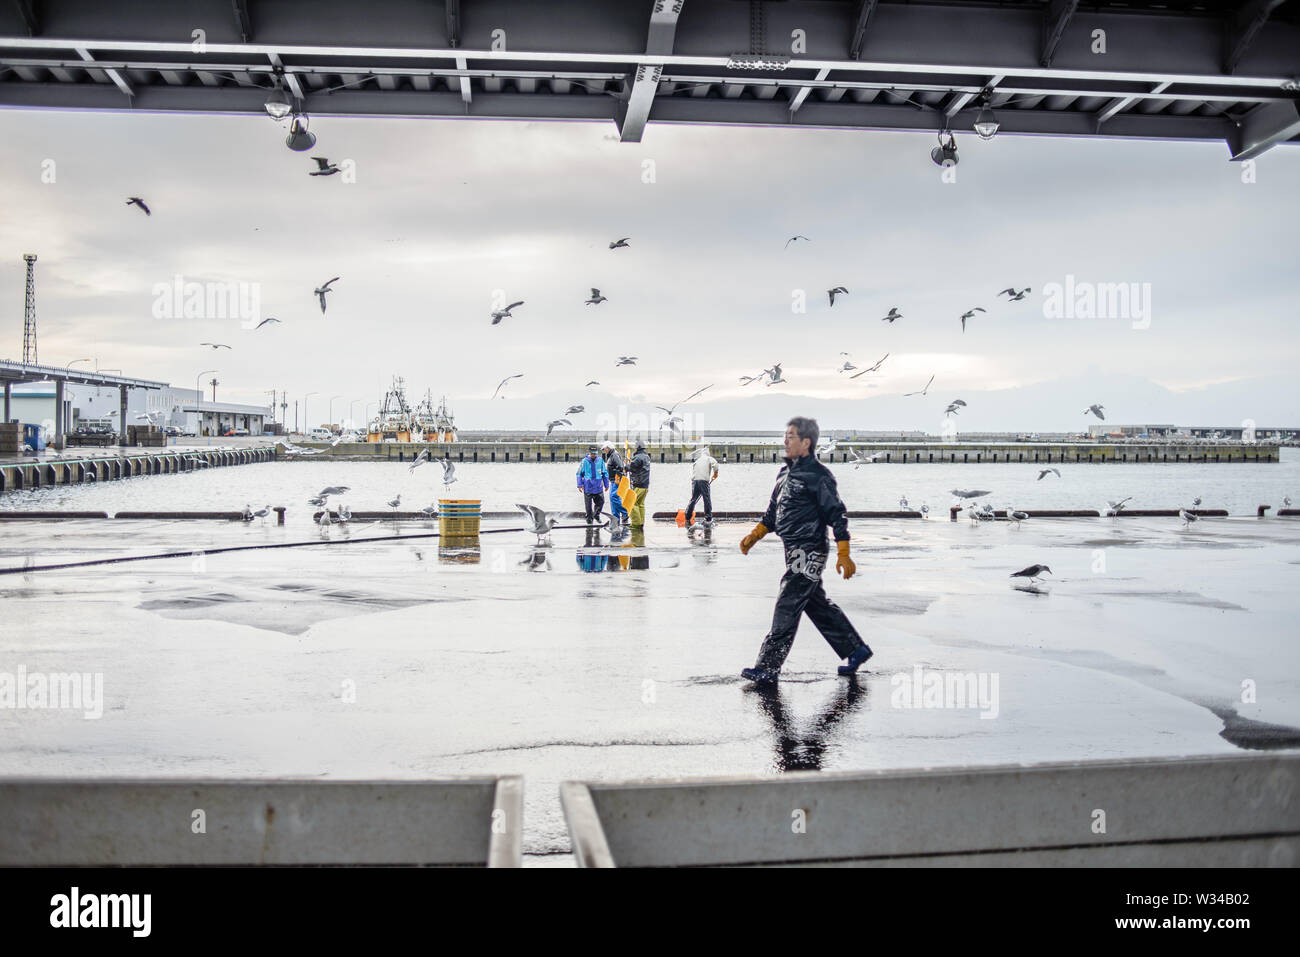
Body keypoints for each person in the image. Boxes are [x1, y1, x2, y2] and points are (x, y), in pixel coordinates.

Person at [738, 416, 872, 685]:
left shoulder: (818, 476)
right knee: (815, 602)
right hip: (791, 548)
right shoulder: (784, 473)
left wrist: (843, 551)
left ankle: (768, 667)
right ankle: (855, 649)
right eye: (785, 436)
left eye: (791, 436)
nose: (785, 441)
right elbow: (773, 512)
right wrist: (756, 534)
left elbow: (837, 513)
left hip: (809, 551)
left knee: (788, 602)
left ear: (806, 442)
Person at [685, 446, 719, 526]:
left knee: (693, 499)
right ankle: (708, 518)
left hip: (695, 481)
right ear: (708, 453)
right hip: (703, 481)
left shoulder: (698, 460)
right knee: (706, 498)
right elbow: (715, 464)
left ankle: (687, 516)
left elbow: (694, 469)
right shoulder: (708, 458)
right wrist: (716, 473)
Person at [576, 446, 609, 525]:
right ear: (589, 453)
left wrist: (606, 484)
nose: (593, 455)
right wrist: (579, 484)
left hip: (598, 486)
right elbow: (579, 474)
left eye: (595, 454)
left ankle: (596, 515)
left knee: (601, 502)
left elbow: (604, 473)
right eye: (592, 454)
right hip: (588, 486)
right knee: (588, 506)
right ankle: (589, 520)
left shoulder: (600, 460)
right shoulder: (584, 461)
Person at [600, 441, 629, 525]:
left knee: (614, 497)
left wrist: (617, 476)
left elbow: (620, 466)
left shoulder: (614, 455)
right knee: (612, 500)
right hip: (612, 480)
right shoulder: (611, 455)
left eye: (604, 449)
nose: (604, 451)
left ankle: (625, 512)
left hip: (617, 480)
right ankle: (615, 518)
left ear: (608, 448)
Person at [627, 441, 652, 527]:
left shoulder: (638, 457)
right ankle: (641, 522)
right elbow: (638, 467)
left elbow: (631, 467)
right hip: (645, 485)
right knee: (640, 504)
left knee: (632, 503)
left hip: (638, 484)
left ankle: (636, 524)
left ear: (637, 448)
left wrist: (625, 467)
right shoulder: (646, 457)